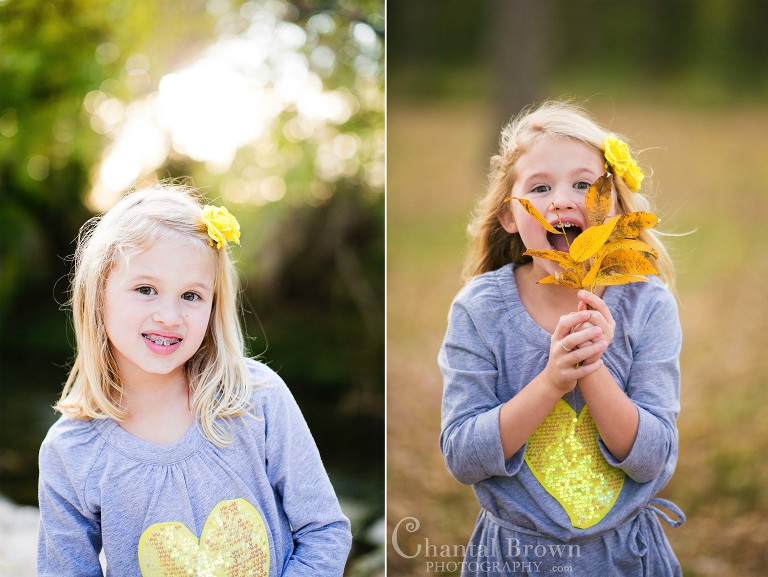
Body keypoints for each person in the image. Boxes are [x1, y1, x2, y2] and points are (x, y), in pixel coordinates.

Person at [38, 183, 352, 576]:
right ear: (97, 294)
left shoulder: (257, 399)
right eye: (146, 289)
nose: (170, 315)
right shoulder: (70, 452)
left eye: (191, 295)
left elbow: (325, 530)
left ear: (213, 305)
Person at [439, 100, 684, 576]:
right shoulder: (480, 310)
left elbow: (653, 458)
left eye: (583, 183)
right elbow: (464, 457)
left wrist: (591, 369)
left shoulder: (647, 305)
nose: (562, 200)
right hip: (515, 560)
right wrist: (552, 381)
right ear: (510, 216)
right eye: (540, 187)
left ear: (612, 207)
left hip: (625, 559)